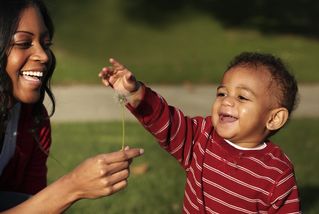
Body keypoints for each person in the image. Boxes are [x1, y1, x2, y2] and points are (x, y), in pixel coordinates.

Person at [99, 52, 301, 213]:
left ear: (274, 119)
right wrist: (134, 92)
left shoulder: (276, 173)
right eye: (222, 93)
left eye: (242, 97)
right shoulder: (201, 137)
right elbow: (165, 121)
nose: (226, 101)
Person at [0, 0, 144, 213]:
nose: (43, 55)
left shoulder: (35, 121)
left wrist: (70, 190)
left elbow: (34, 204)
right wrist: (72, 186)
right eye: (23, 43)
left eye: (46, 44)